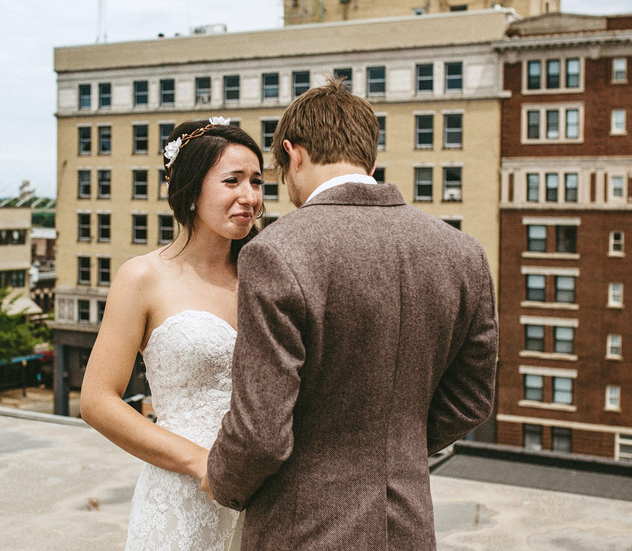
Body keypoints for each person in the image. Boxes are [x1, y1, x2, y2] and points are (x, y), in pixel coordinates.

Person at [201, 76, 498, 550]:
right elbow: (471, 402)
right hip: (408, 527)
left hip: (302, 530)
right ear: (370, 158)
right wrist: (390, 451)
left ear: (293, 154)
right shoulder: (463, 253)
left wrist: (223, 483)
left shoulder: (276, 251)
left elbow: (260, 431)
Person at [80, 116, 264, 551]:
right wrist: (198, 462)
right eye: (232, 181)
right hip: (182, 499)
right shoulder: (142, 277)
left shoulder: (265, 274)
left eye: (257, 181)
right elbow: (97, 400)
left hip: (264, 496)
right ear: (191, 190)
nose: (249, 196)